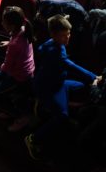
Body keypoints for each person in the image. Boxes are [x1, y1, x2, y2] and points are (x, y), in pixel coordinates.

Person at [25, 14, 98, 160]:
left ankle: (46, 107)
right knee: (63, 116)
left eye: (69, 34)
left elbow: (42, 47)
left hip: (59, 82)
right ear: (53, 34)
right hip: (49, 88)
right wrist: (94, 76)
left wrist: (61, 20)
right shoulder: (56, 52)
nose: (68, 38)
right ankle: (33, 138)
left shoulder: (53, 42)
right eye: (63, 35)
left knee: (82, 85)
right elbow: (70, 65)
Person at [0, 6, 35, 131]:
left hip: (19, 77)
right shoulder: (22, 29)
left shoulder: (15, 44)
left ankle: (21, 117)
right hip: (20, 71)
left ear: (11, 25)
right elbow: (16, 45)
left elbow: (5, 68)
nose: (1, 23)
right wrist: (9, 43)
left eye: (4, 21)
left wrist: (10, 46)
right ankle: (8, 109)